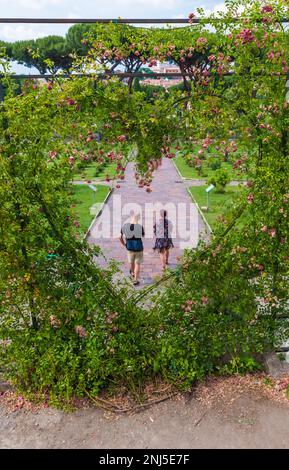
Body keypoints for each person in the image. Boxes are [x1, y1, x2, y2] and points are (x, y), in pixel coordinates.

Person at [120, 212, 145, 286]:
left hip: (129, 247)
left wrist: (123, 243)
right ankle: (135, 280)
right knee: (137, 264)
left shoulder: (125, 226)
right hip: (139, 247)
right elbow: (143, 235)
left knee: (131, 263)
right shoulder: (140, 226)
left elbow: (119, 236)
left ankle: (132, 274)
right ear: (138, 218)